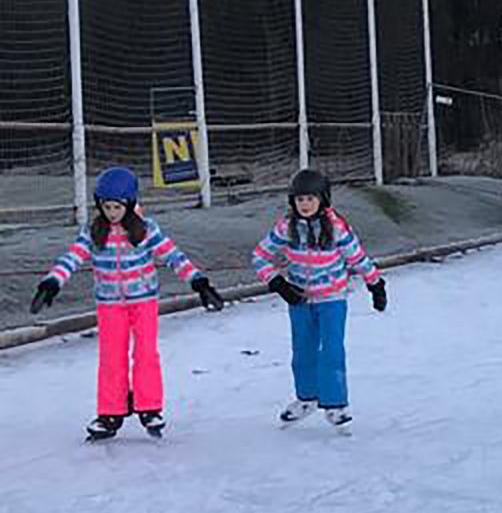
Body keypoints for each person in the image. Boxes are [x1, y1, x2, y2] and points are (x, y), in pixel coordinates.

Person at [30, 165, 225, 440]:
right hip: (109, 303)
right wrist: (52, 282)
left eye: (117, 207)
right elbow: (71, 257)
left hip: (143, 301)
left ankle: (149, 407)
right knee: (111, 357)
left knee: (145, 353)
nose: (111, 213)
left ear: (130, 204)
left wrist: (199, 282)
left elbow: (174, 256)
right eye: (106, 207)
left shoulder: (145, 230)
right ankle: (110, 412)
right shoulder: (94, 231)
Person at [251, 167, 387, 428]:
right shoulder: (286, 227)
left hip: (332, 298)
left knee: (331, 350)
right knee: (302, 351)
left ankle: (336, 404)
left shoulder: (336, 227)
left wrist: (375, 283)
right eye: (300, 199)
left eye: (310, 199)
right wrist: (279, 283)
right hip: (299, 297)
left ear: (323, 199)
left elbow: (356, 257)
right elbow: (259, 256)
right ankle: (307, 398)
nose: (305, 204)